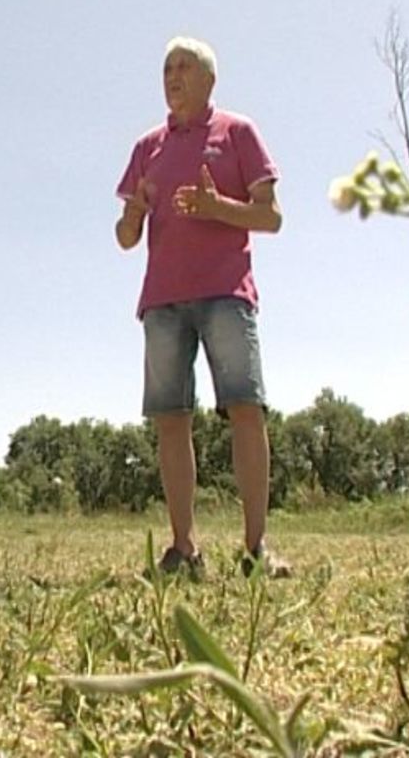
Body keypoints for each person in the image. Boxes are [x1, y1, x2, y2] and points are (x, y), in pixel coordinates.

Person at [115, 36, 291, 579]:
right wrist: (137, 212)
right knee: (171, 419)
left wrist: (218, 207)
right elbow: (125, 237)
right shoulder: (148, 145)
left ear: (209, 79)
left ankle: (256, 549)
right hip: (163, 299)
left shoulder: (237, 132)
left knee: (245, 409)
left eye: (184, 67)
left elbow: (271, 218)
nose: (173, 75)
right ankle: (183, 550)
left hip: (225, 294)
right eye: (167, 67)